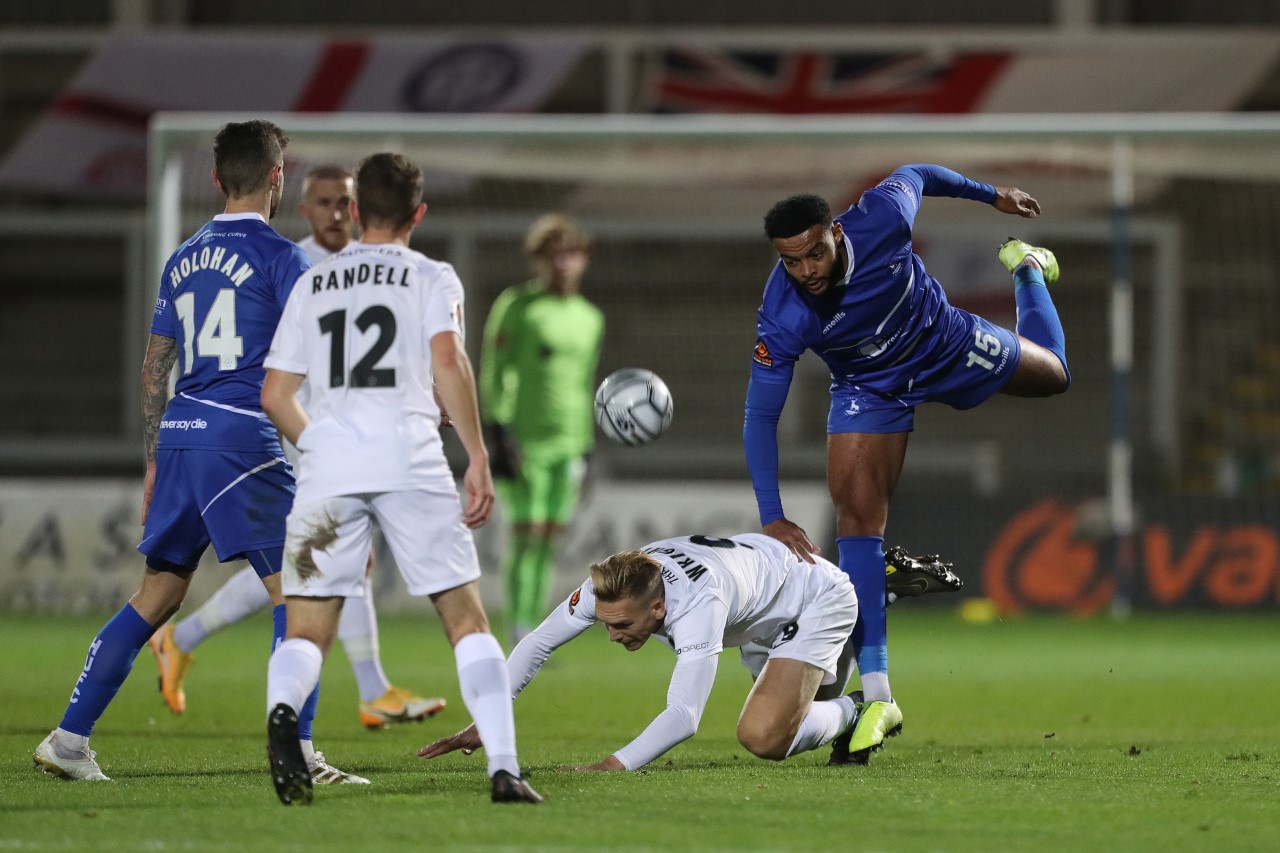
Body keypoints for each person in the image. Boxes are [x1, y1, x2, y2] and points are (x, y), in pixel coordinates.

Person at [33, 120, 361, 785]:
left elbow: (156, 365)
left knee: (157, 593)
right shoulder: (284, 259)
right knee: (302, 591)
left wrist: (155, 458)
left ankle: (69, 738)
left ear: (215, 179)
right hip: (241, 436)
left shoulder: (183, 256)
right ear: (279, 176)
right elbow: (313, 372)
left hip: (182, 431)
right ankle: (297, 749)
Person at [744, 164, 1070, 764]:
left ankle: (1027, 267)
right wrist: (773, 514)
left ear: (835, 234)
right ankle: (879, 697)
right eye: (791, 262)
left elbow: (917, 172)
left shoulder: (882, 218)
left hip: (946, 343)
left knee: (1053, 375)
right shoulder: (783, 312)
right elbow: (760, 416)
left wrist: (993, 196)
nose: (806, 271)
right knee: (857, 525)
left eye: (814, 254)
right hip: (870, 387)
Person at [260, 152, 541, 805]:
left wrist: (326, 445)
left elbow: (276, 394)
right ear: (419, 212)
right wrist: (475, 452)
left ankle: (282, 717)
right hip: (410, 456)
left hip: (329, 466)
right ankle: (503, 766)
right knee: (466, 620)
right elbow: (448, 359)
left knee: (306, 629)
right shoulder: (431, 277)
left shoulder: (315, 282)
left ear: (355, 211)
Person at [149, 164, 447, 730]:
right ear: (303, 207)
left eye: (345, 203)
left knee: (308, 563)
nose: (336, 212)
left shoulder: (361, 268)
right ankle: (356, 698)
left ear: (358, 210)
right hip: (290, 432)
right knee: (316, 563)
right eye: (325, 202)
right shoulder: (293, 263)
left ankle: (183, 638)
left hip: (333, 435)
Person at [419, 533, 865, 770]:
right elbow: (537, 643)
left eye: (624, 626)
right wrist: (488, 720)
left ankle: (861, 710)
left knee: (764, 736)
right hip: (758, 609)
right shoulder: (612, 587)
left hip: (814, 599)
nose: (612, 637)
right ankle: (844, 706)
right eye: (606, 623)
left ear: (658, 607)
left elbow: (684, 716)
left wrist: (615, 764)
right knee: (791, 724)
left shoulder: (697, 605)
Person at [480, 214, 604, 645]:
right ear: (538, 260)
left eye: (571, 255)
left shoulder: (590, 318)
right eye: (554, 256)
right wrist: (496, 431)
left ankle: (533, 624)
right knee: (525, 533)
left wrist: (588, 448)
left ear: (584, 260)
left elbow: (585, 382)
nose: (563, 264)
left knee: (550, 538)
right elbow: (494, 372)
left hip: (570, 443)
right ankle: (518, 627)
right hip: (525, 441)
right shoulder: (517, 306)